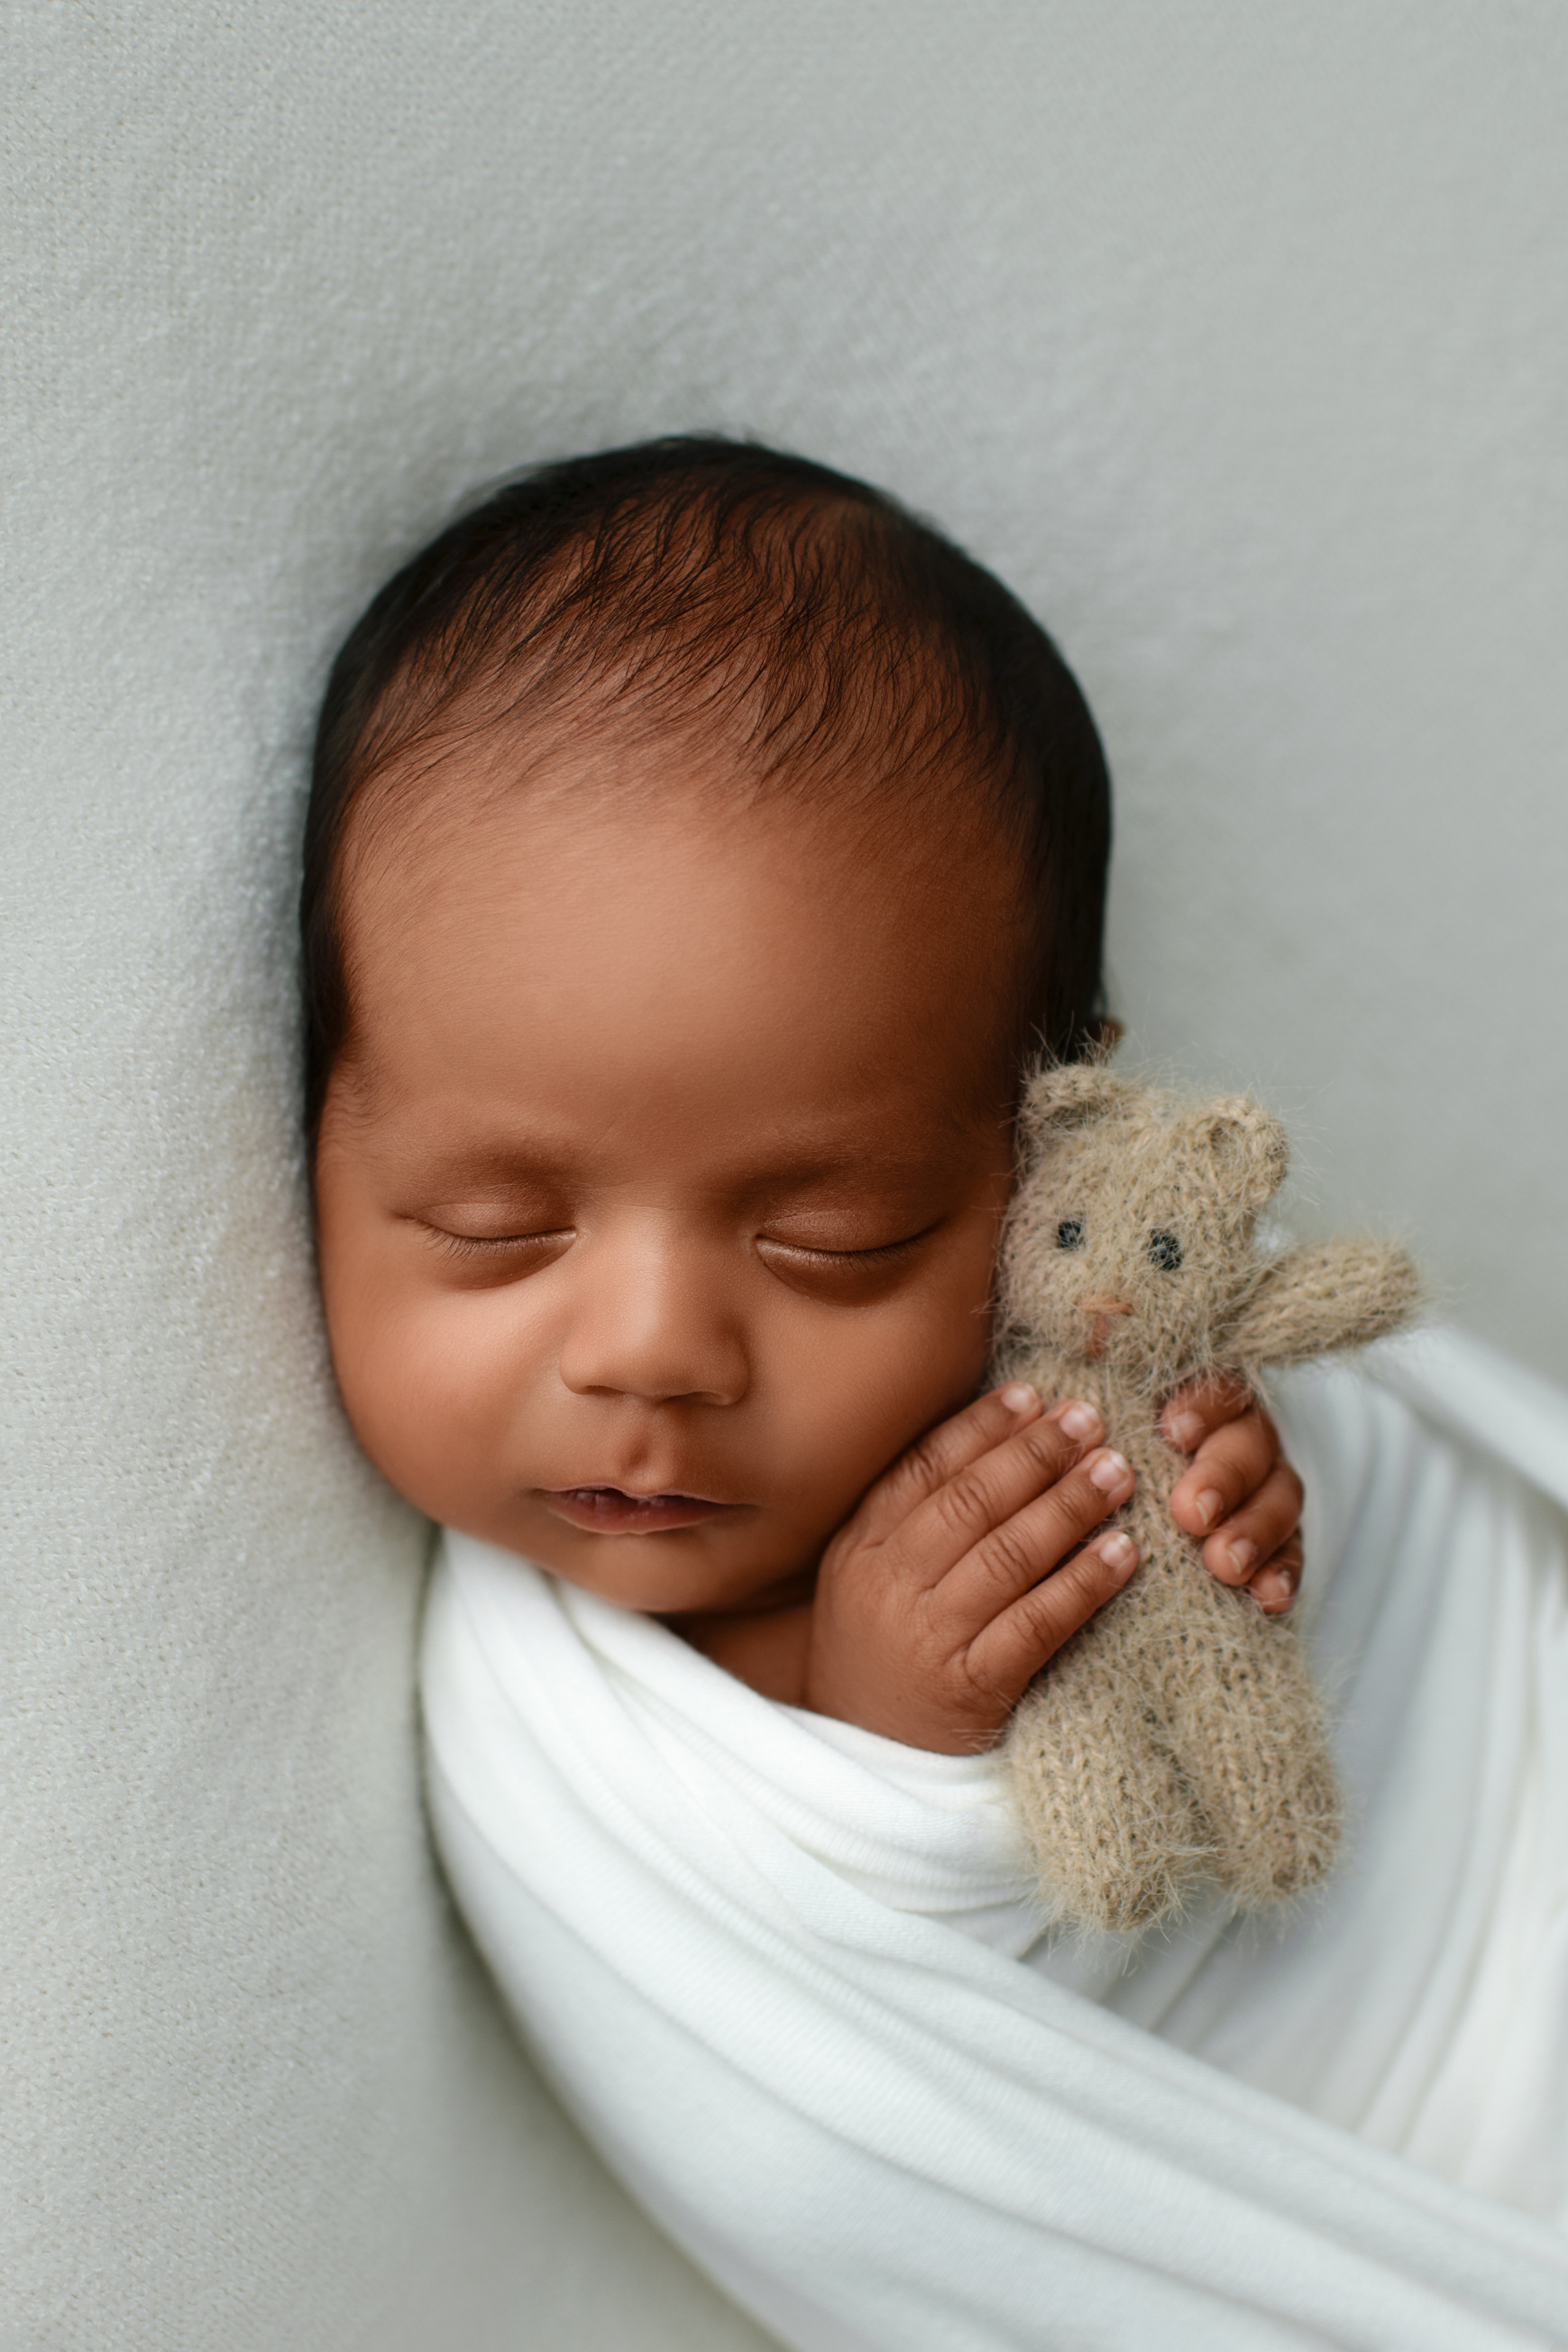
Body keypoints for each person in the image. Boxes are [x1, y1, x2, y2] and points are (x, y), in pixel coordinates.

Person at [300, 439, 1568, 2350]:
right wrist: (904, 1735)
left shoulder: (1109, 1319)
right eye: (491, 1225)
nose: (648, 1351)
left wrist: (1251, 1501)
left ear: (1045, 1146)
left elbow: (1401, 1631)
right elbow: (850, 2052)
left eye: (835, 1237)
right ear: (319, 1124)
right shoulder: (563, 1759)